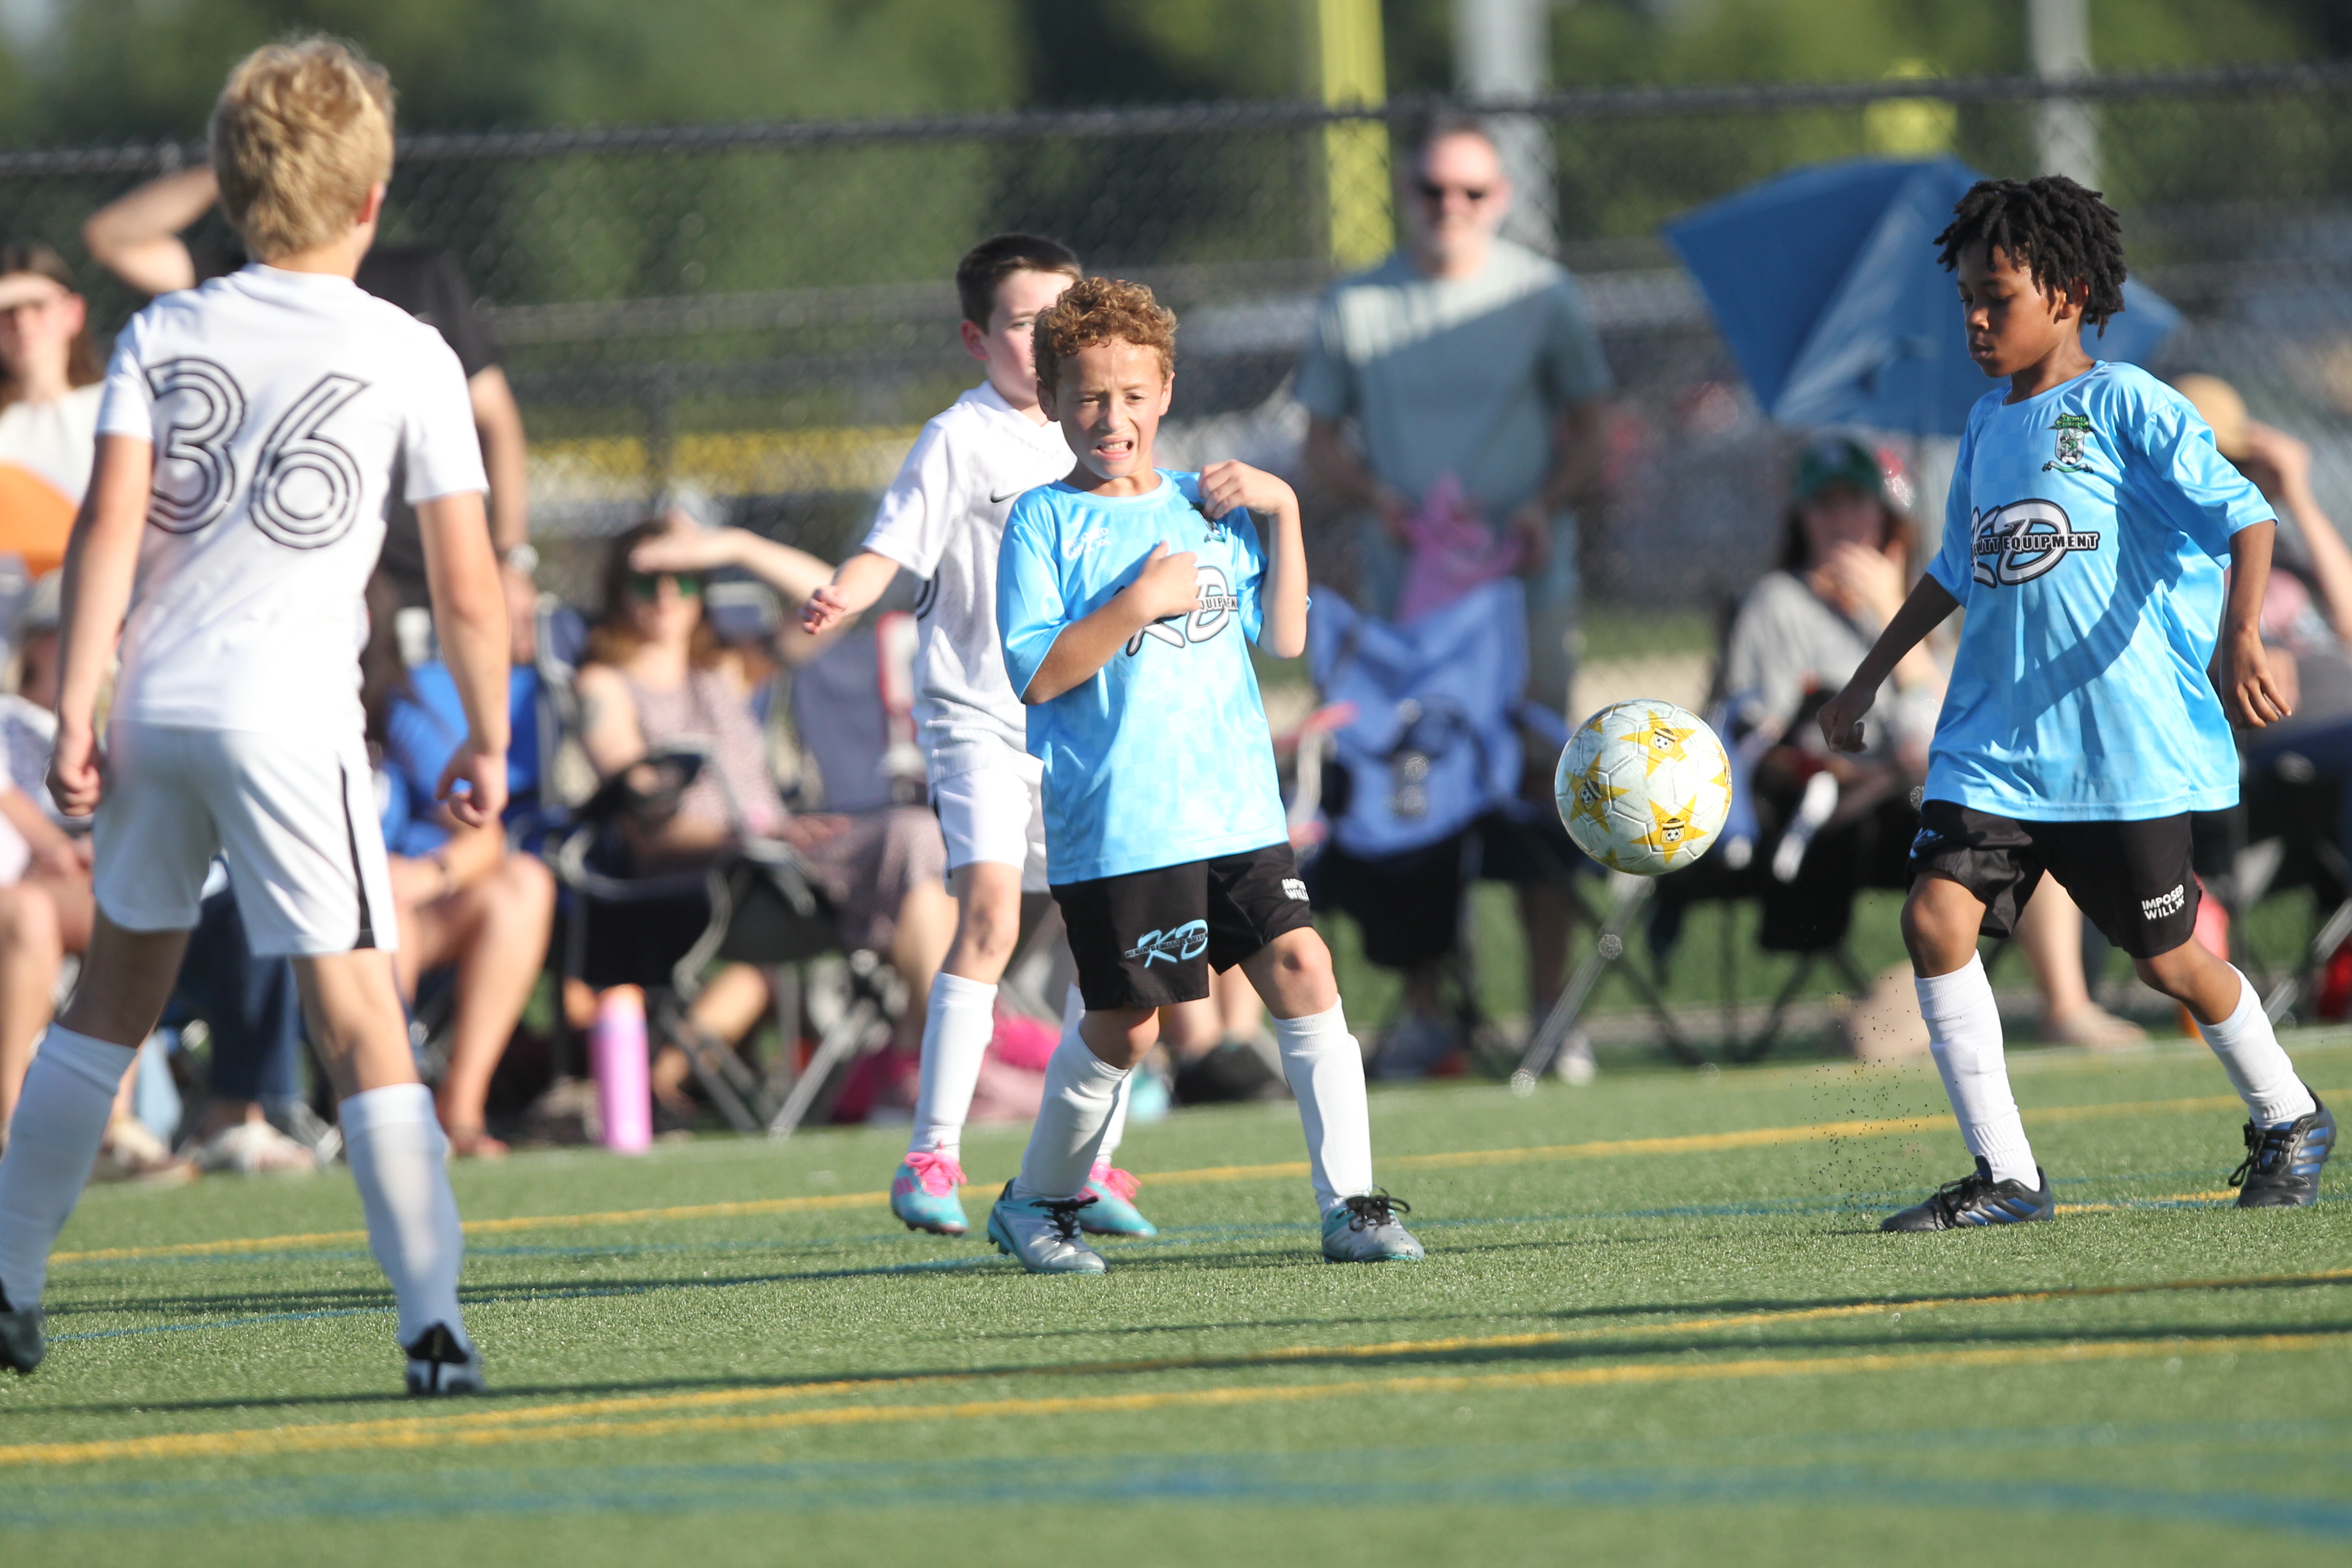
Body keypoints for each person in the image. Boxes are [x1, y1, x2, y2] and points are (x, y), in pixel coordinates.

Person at [0, 39, 509, 1391]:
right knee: (361, 1017)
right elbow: (468, 582)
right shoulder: (408, 349)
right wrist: (490, 734)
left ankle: (9, 1278)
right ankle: (434, 1323)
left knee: (109, 1000)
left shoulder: (165, 331)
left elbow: (107, 531)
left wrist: (76, 706)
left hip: (158, 710)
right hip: (289, 719)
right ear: (373, 197)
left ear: (228, 193)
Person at [1817, 175, 2332, 1232]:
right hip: (1997, 745)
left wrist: (2241, 636)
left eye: (1996, 298)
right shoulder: (1984, 426)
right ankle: (2007, 1177)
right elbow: (1955, 570)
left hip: (2119, 751)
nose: (1974, 319)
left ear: (2070, 295)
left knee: (2172, 962)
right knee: (1934, 918)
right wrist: (1868, 676)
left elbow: (2247, 517)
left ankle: (2289, 1115)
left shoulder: (2127, 403)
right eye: (1966, 298)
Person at [988, 276, 1422, 1272]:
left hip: (1235, 810)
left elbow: (1286, 636)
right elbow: (1039, 674)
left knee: (1305, 969)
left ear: (1167, 393)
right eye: (1089, 398)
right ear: (1051, 400)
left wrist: (1286, 511)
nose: (1113, 418)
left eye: (1133, 396)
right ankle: (1037, 1202)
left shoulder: (1209, 505)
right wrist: (1136, 604)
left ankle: (1352, 1208)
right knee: (1127, 1028)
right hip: (1124, 825)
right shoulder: (1044, 522)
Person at [788, 234, 1157, 1240]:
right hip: (981, 717)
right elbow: (891, 546)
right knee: (989, 915)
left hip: (1086, 723)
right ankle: (932, 1155)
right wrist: (844, 593)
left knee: (1109, 938)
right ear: (976, 338)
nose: (1050, 341)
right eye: (1027, 324)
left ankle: (1089, 1168)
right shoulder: (961, 438)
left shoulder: (1108, 431)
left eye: (1066, 319)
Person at [1295, 111, 1614, 1061]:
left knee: (1542, 786)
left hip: (1525, 593)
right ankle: (1429, 1014)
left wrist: (1542, 506)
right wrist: (1378, 499)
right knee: (1412, 793)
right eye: (1433, 189)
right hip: (1405, 608)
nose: (1451, 207)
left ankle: (1551, 1016)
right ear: (1407, 194)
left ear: (1502, 198)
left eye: (1471, 190)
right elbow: (1319, 444)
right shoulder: (1356, 305)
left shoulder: (1542, 293)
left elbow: (1594, 428)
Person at [1723, 433, 2145, 1049]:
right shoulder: (1779, 603)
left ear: (1885, 515)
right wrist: (1862, 768)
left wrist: (1890, 609)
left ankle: (2054, 1005)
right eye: (1824, 504)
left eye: (1856, 502)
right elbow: (1758, 742)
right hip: (1841, 814)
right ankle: (1956, 1001)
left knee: (2029, 806)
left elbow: (1958, 719)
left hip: (1927, 792)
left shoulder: (1920, 599)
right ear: (1801, 517)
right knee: (1989, 805)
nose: (1842, 519)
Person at [576, 519, 954, 1105]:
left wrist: (735, 545)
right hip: (713, 875)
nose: (668, 595)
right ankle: (939, 1063)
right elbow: (646, 822)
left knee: (923, 852)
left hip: (785, 867)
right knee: (909, 840)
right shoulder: (605, 684)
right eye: (649, 581)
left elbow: (837, 602)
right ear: (619, 592)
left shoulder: (725, 670)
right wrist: (751, 836)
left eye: (685, 579)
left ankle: (929, 1059)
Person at [82, 166, 537, 605]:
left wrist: (509, 556)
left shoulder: (418, 281)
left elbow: (496, 420)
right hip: (274, 594)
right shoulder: (228, 292)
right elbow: (112, 238)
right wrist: (238, 165)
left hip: (418, 585)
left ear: (365, 198)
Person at [366, 571, 555, 1157]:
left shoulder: (396, 712)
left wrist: (424, 877)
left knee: (524, 884)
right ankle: (387, 1113)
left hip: (403, 907)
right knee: (384, 916)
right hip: (299, 911)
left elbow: (481, 834)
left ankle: (461, 1110)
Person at [0, 244, 106, 577]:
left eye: (37, 305)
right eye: (7, 310)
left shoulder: (115, 404)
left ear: (73, 312)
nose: (23, 321)